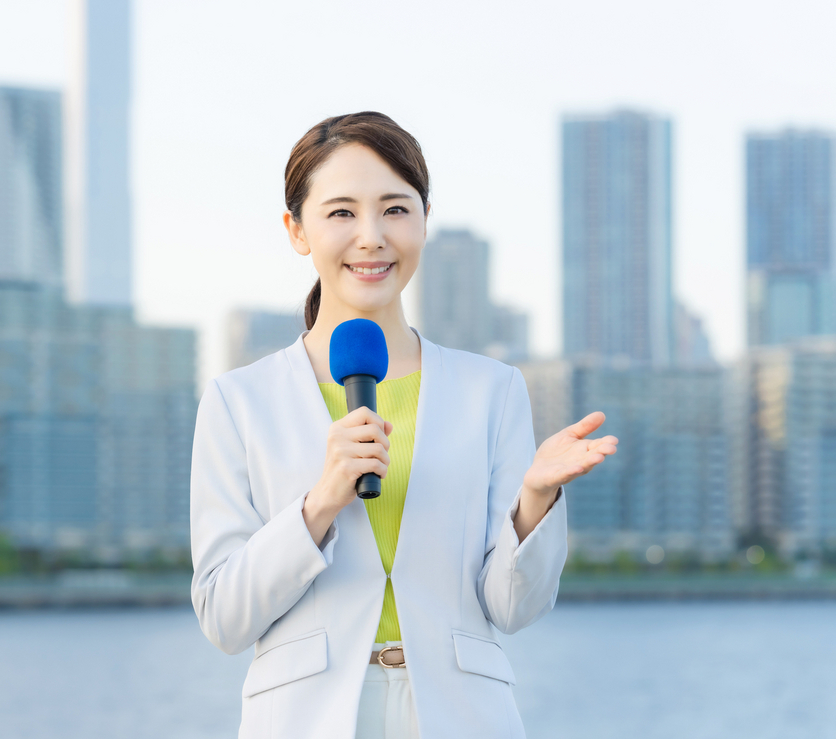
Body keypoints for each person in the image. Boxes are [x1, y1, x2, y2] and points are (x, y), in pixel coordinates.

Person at [190, 112, 618, 739]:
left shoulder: (491, 390)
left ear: (423, 222)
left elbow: (512, 606)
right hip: (306, 717)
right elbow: (225, 618)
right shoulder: (239, 400)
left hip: (461, 715)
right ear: (296, 230)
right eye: (341, 213)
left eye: (395, 209)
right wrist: (319, 504)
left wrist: (535, 501)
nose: (371, 237)